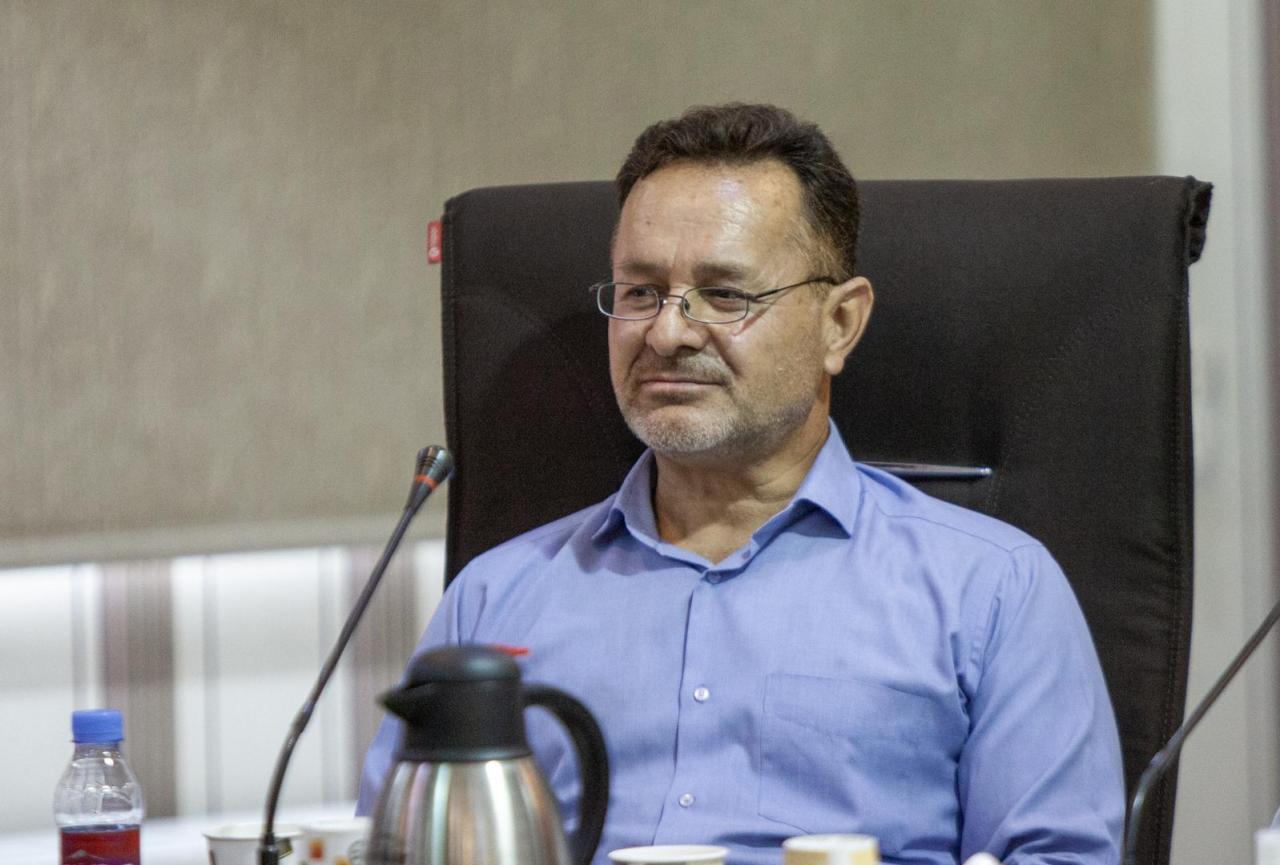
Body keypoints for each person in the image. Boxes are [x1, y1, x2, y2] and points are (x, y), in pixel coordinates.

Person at [358, 103, 1124, 865]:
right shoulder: (493, 599)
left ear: (839, 323)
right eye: (640, 292)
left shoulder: (991, 590)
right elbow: (392, 848)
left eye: (726, 294)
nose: (667, 333)